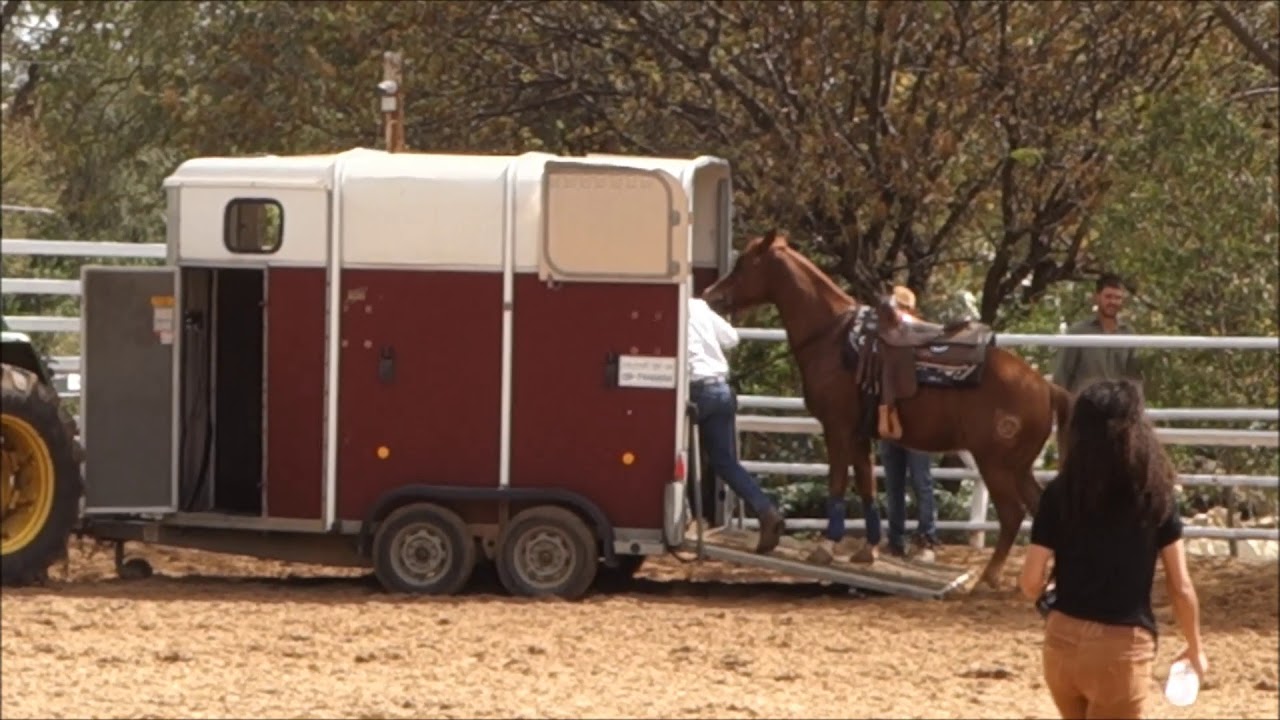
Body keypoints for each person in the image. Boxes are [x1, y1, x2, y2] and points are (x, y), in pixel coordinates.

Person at [1019, 379, 1207, 720]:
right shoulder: (1154, 493)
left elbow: (1030, 580)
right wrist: (1195, 649)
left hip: (1061, 644)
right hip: (1122, 649)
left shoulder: (1060, 492)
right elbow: (1180, 587)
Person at [687, 296, 786, 553]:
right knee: (724, 461)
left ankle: (688, 517)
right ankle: (765, 510)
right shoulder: (699, 306)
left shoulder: (668, 307)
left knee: (677, 454)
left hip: (694, 389)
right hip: (720, 387)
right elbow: (731, 338)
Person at [880, 286, 941, 562]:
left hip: (905, 416)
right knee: (907, 480)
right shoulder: (896, 338)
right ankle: (907, 538)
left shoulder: (916, 336)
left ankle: (918, 537)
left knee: (914, 480)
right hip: (902, 415)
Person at [1052, 274, 1143, 395]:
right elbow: (1062, 376)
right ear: (1097, 297)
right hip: (1085, 407)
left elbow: (1134, 379)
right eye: (1108, 296)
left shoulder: (1129, 335)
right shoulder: (1077, 333)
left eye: (1118, 298)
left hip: (1117, 408)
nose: (1113, 302)